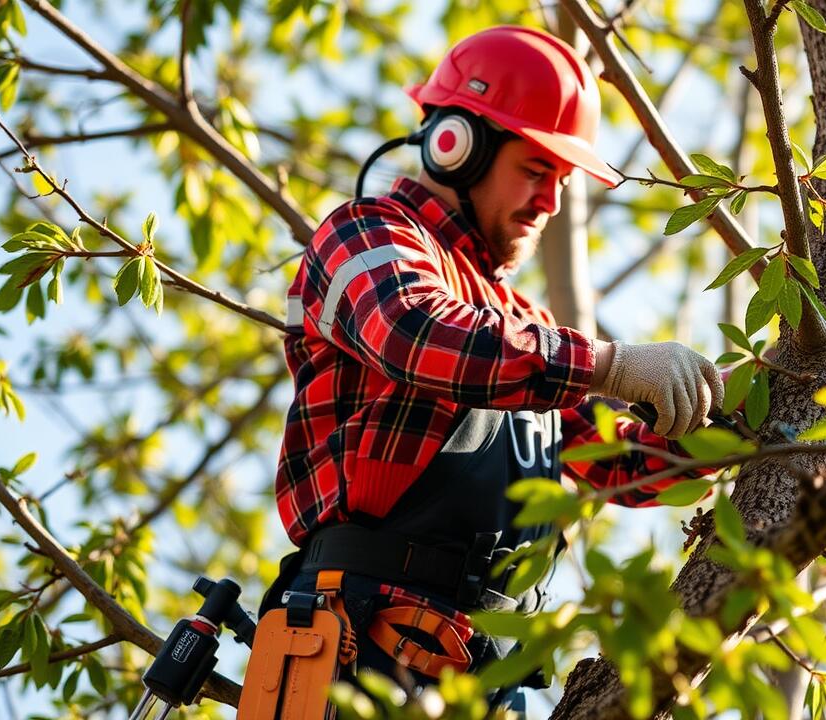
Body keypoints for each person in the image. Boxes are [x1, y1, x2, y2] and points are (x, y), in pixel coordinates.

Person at [264, 24, 723, 713]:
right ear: (455, 146)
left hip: (485, 670)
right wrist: (611, 363)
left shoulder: (524, 333)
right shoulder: (367, 233)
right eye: (537, 171)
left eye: (562, 181)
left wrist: (739, 408)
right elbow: (413, 330)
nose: (552, 203)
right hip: (359, 641)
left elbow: (626, 465)